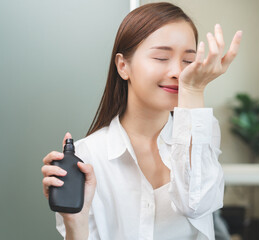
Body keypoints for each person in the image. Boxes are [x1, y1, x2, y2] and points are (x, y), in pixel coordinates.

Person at [41, 2, 242, 240]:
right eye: (161, 57)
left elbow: (196, 204)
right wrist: (76, 223)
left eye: (188, 61)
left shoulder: (200, 135)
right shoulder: (88, 157)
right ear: (123, 66)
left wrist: (194, 90)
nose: (178, 72)